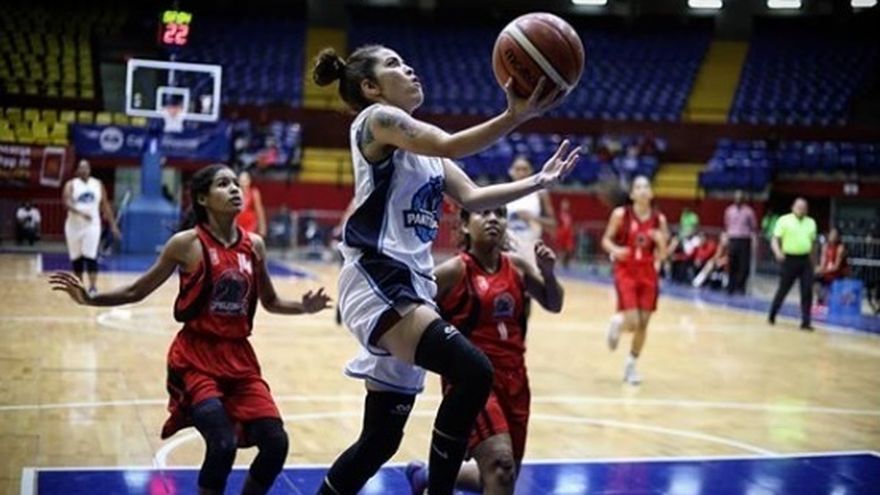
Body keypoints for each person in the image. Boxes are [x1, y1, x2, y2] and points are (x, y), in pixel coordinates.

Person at [311, 45, 577, 495]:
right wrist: (513, 116)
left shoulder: (428, 157)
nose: (409, 68)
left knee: (380, 441)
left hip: (411, 286)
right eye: (394, 64)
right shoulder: (376, 120)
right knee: (474, 371)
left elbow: (473, 197)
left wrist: (539, 181)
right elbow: (449, 142)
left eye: (405, 61)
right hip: (379, 276)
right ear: (371, 87)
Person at [49, 164, 331, 495]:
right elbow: (136, 290)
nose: (235, 189)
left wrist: (303, 307)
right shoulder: (186, 244)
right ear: (202, 198)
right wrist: (90, 298)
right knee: (222, 443)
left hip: (240, 359)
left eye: (235, 183)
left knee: (276, 443)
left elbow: (270, 301)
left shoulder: (254, 245)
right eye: (223, 184)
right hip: (196, 358)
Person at [406, 206, 564, 494]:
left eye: (500, 214)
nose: (493, 219)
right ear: (465, 225)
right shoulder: (453, 271)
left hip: (516, 379)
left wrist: (549, 274)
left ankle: (428, 476)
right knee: (501, 466)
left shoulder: (518, 267)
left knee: (502, 476)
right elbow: (411, 310)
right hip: (473, 380)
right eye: (484, 213)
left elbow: (554, 303)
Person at [601, 176, 668, 385]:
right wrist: (615, 250)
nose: (642, 190)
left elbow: (663, 256)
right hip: (626, 271)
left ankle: (631, 365)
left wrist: (661, 242)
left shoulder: (659, 220)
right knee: (633, 321)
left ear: (651, 193)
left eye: (646, 187)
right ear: (632, 194)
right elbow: (605, 240)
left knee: (643, 324)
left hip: (648, 273)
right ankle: (617, 325)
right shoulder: (621, 214)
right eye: (638, 187)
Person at [62, 159, 121, 295]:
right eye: (81, 168)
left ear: (89, 170)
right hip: (73, 227)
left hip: (92, 226)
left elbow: (105, 205)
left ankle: (93, 287)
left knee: (90, 256)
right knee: (76, 258)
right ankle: (79, 286)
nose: (84, 170)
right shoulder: (71, 185)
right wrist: (80, 213)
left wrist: (113, 225)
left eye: (86, 168)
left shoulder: (97, 184)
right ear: (77, 170)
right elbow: (66, 203)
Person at [768, 197, 817, 330]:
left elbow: (813, 244)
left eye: (804, 208)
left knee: (807, 290)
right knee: (783, 289)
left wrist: (814, 263)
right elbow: (775, 239)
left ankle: (806, 322)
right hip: (789, 259)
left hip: (805, 259)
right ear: (793, 207)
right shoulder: (784, 220)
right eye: (799, 207)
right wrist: (778, 252)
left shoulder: (811, 222)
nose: (801, 210)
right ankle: (772, 314)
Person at [506, 155, 557, 268]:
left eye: (525, 169)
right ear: (511, 172)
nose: (521, 173)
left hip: (530, 250)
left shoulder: (540, 195)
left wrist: (532, 218)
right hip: (508, 250)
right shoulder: (503, 193)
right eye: (518, 169)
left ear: (531, 171)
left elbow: (552, 225)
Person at [724, 190, 756, 295]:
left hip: (744, 239)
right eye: (736, 198)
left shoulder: (749, 211)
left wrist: (753, 241)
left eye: (740, 198)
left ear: (743, 199)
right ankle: (731, 286)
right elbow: (727, 224)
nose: (738, 200)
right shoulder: (729, 210)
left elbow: (753, 227)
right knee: (732, 263)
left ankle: (740, 287)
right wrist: (727, 238)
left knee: (743, 265)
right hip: (733, 239)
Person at [815, 227, 847, 306]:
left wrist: (824, 270)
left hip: (837, 273)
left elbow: (836, 267)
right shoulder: (825, 246)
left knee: (830, 279)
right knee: (815, 280)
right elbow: (823, 261)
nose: (832, 236)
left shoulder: (840, 248)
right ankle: (821, 300)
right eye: (831, 234)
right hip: (827, 272)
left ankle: (831, 301)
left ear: (838, 237)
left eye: (834, 234)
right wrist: (819, 269)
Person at [237, 170, 267, 237]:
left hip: (250, 224)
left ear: (249, 181)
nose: (243, 183)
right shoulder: (235, 194)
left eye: (245, 181)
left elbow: (259, 211)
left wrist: (262, 227)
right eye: (241, 181)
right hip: (238, 224)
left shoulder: (254, 193)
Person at [556, 198, 575, 269]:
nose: (565, 206)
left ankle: (567, 262)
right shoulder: (559, 214)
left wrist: (572, 232)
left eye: (566, 204)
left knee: (569, 249)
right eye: (564, 204)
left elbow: (571, 225)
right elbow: (557, 224)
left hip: (568, 234)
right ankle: (560, 262)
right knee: (561, 249)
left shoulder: (569, 215)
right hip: (561, 233)